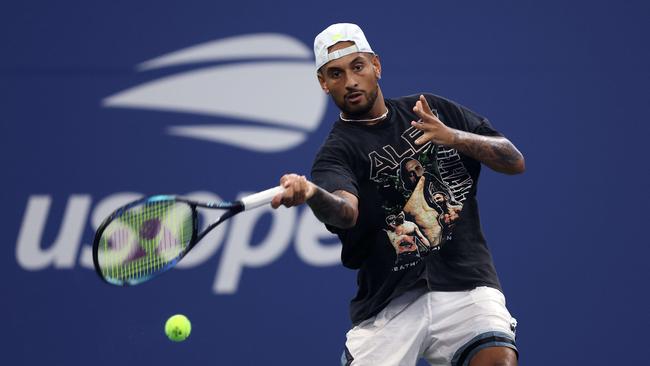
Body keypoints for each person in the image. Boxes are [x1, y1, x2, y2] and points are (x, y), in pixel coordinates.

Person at [271, 23, 525, 366]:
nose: (350, 82)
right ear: (323, 83)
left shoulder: (430, 109)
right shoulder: (336, 153)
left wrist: (453, 137)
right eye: (335, 73)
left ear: (376, 65)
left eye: (357, 66)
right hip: (390, 303)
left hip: (466, 286)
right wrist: (313, 193)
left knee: (498, 359)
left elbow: (513, 160)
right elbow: (345, 212)